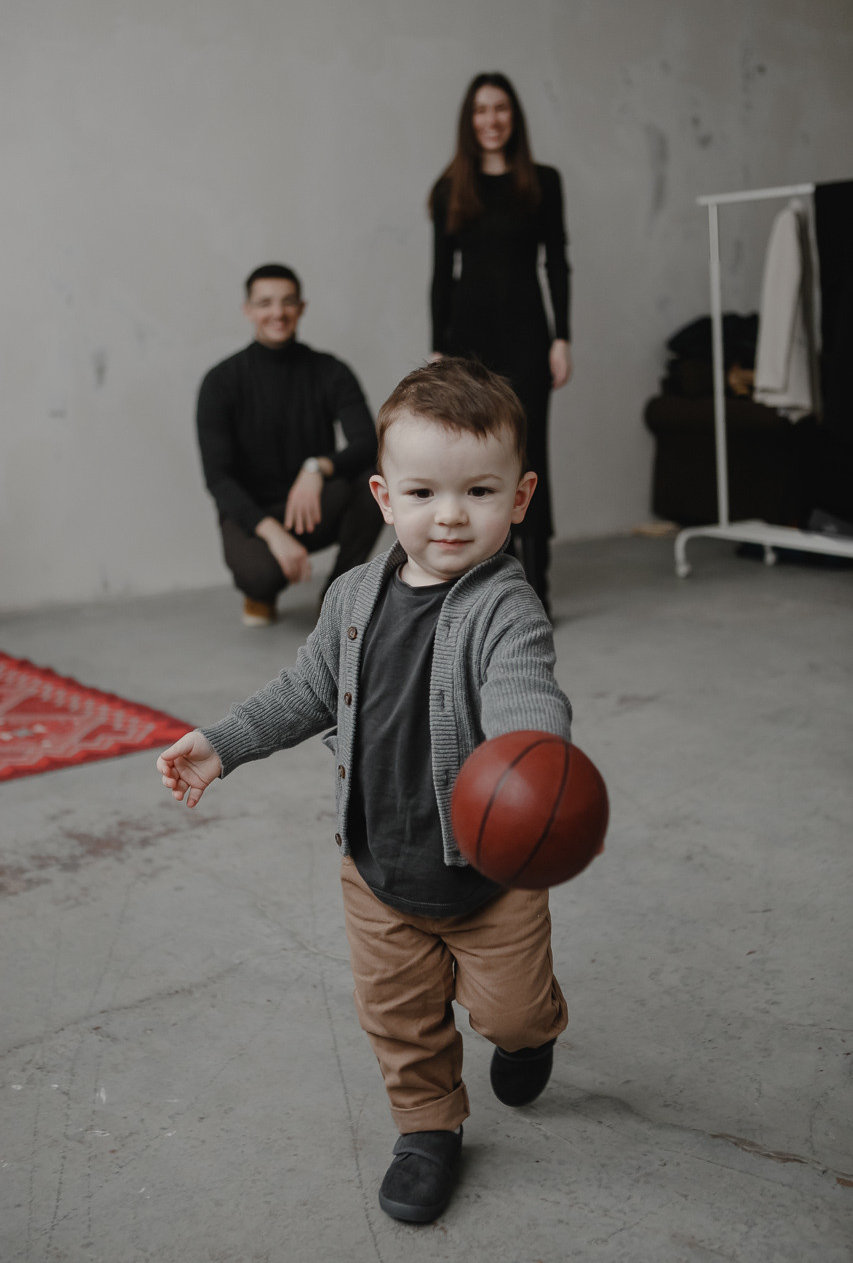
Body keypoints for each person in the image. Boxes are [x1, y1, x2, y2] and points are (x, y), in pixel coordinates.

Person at [158, 358, 572, 1224]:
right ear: (383, 497)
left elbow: (523, 688)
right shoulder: (352, 596)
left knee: (512, 1010)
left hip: (489, 880)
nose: (450, 515)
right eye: (423, 492)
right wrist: (224, 743)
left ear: (520, 496)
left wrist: (529, 756)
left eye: (479, 491)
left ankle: (529, 1036)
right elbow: (304, 692)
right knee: (398, 1015)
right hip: (377, 866)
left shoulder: (507, 607)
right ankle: (427, 1128)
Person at [429, 73, 572, 614]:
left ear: (514, 117)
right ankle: (482, 580)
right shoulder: (451, 188)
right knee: (473, 456)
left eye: (501, 109)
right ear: (470, 121)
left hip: (528, 335)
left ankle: (537, 584)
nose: (492, 120)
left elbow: (556, 262)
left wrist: (563, 337)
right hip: (468, 341)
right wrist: (439, 348)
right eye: (481, 111)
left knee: (530, 455)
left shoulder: (542, 181)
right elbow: (441, 274)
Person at [196, 264, 383, 626]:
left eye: (287, 302)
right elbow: (218, 478)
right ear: (248, 310)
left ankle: (337, 599)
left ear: (302, 307)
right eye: (265, 303)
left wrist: (318, 468)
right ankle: (259, 595)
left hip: (313, 505)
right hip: (253, 514)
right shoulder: (221, 381)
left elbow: (367, 442)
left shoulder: (330, 371)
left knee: (376, 480)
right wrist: (273, 533)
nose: (277, 313)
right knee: (259, 574)